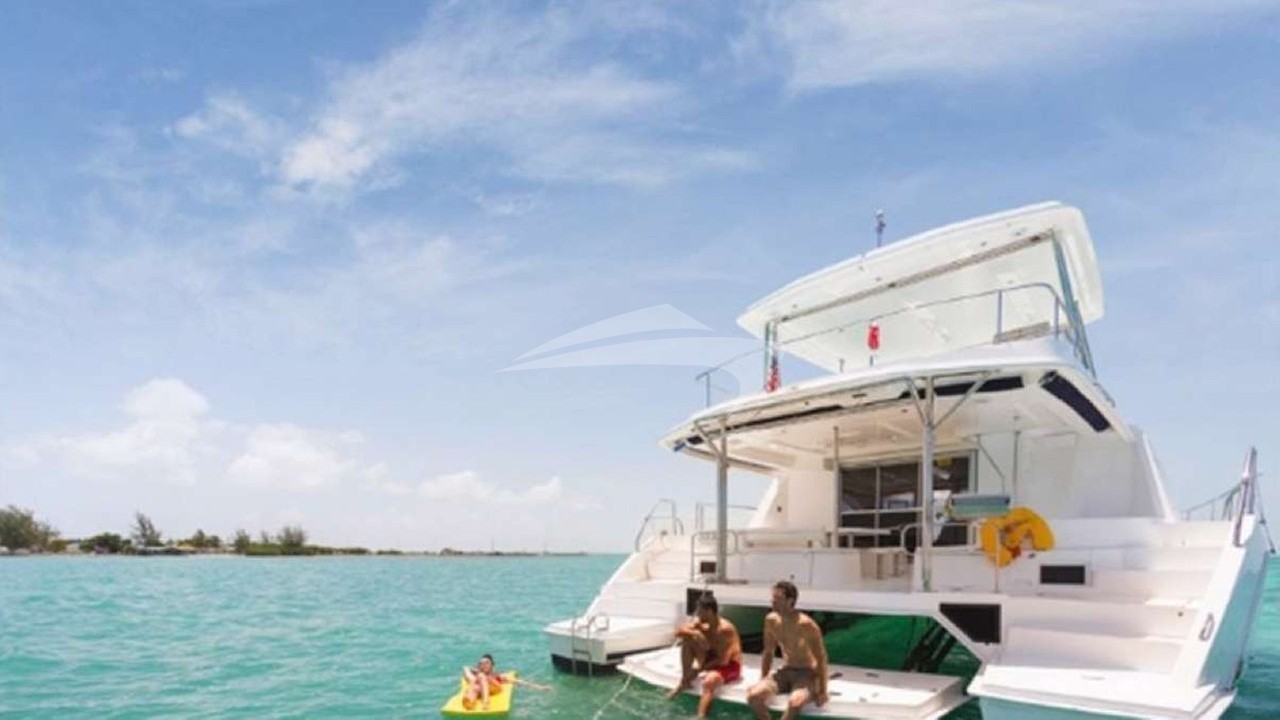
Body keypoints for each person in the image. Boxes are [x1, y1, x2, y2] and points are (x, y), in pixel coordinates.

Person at [746, 580, 829, 720]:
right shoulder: (771, 620)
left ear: (790, 601)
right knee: (753, 696)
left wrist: (823, 691)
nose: (773, 601)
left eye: (778, 598)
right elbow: (768, 652)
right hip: (786, 670)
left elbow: (821, 658)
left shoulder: (806, 625)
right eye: (773, 597)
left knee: (794, 703)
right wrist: (763, 678)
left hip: (806, 674)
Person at [666, 592, 743, 718]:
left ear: (709, 611)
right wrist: (695, 634)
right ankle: (685, 680)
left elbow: (723, 660)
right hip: (711, 659)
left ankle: (700, 716)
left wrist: (698, 670)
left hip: (729, 665)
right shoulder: (701, 624)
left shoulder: (725, 630)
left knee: (709, 682)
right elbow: (677, 632)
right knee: (688, 640)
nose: (697, 614)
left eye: (700, 611)